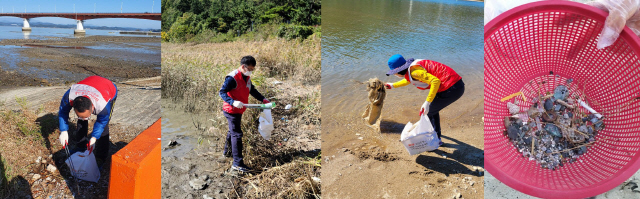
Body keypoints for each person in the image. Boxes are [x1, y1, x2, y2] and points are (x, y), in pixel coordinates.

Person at [384, 54, 464, 145]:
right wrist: (393, 85)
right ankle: (436, 137)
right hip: (454, 85)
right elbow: (409, 79)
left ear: (398, 70)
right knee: (432, 110)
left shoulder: (415, 72)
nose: (394, 74)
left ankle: (435, 140)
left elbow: (435, 81)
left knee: (429, 111)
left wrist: (427, 102)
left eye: (394, 72)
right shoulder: (412, 70)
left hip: (452, 87)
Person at [219, 55, 270, 173]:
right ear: (243, 67)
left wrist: (263, 99)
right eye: (250, 69)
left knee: (232, 131)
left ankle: (227, 152)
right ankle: (237, 163)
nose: (251, 72)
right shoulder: (232, 78)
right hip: (231, 110)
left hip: (239, 110)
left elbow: (252, 90)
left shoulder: (247, 77)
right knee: (237, 134)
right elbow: (222, 92)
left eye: (253, 69)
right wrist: (233, 102)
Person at [58, 76, 118, 166]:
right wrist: (63, 131)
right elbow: (63, 112)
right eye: (79, 115)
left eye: (87, 116)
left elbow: (101, 122)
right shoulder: (69, 96)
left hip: (108, 88)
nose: (85, 118)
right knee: (81, 121)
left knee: (104, 127)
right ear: (74, 107)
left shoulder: (103, 105)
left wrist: (94, 137)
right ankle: (81, 147)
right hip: (89, 84)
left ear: (92, 108)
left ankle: (100, 157)